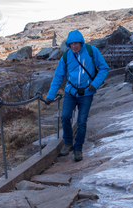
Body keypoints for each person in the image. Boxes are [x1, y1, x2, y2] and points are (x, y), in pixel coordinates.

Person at [46, 30, 109, 162]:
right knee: (65, 116)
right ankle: (68, 143)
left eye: (76, 43)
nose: (74, 46)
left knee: (81, 122)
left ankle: (78, 148)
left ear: (81, 42)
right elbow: (58, 76)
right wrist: (50, 96)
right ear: (68, 45)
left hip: (87, 93)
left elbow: (104, 68)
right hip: (70, 91)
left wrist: (95, 84)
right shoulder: (66, 55)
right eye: (71, 44)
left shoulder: (92, 51)